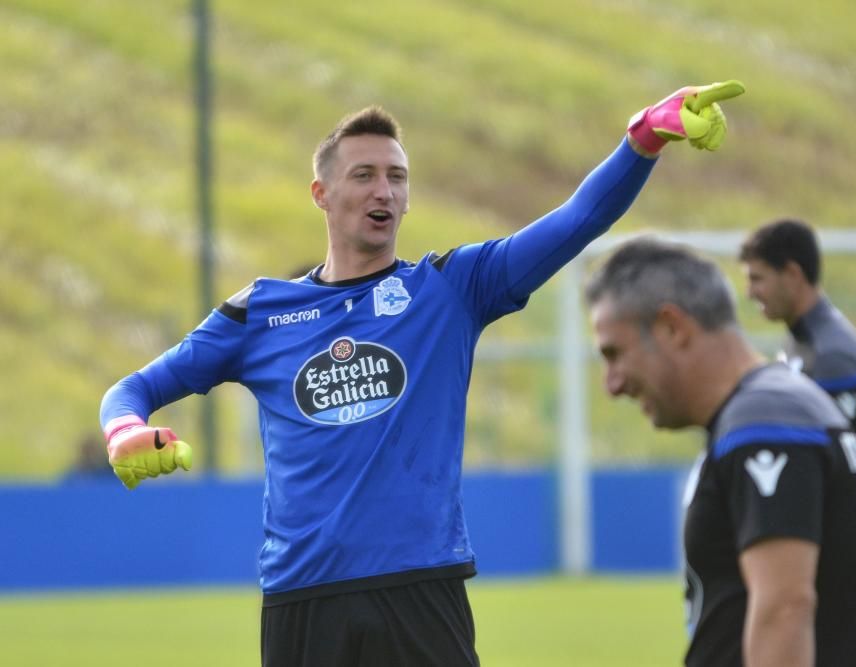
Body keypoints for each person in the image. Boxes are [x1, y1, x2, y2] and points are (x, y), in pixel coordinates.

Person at [98, 81, 745, 666]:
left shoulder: (450, 288)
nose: (384, 190)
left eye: (397, 177)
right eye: (365, 175)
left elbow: (578, 221)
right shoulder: (259, 312)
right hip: (302, 598)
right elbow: (133, 389)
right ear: (322, 193)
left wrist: (644, 136)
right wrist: (123, 428)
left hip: (419, 588)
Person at [585, 237, 856, 667]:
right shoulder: (778, 406)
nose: (612, 384)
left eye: (615, 354)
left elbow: (785, 609)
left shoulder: (766, 424)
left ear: (672, 327)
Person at [739, 218, 856, 471]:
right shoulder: (801, 340)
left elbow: (839, 469)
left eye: (757, 278)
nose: (750, 292)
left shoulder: (831, 354)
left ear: (793, 275)